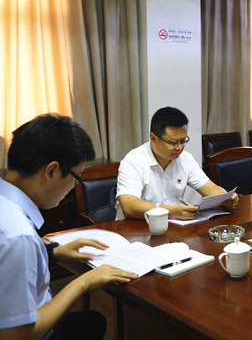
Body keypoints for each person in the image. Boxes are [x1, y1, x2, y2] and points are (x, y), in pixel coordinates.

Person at [0, 114, 138, 340]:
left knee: (91, 322)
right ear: (52, 171)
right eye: (76, 178)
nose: (73, 187)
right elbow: (16, 336)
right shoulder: (19, 237)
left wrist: (53, 252)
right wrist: (83, 283)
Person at [116, 107, 238, 220]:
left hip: (174, 225)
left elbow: (209, 188)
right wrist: (172, 211)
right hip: (135, 227)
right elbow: (129, 206)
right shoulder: (133, 161)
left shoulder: (185, 159)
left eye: (183, 141)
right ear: (153, 138)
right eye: (173, 143)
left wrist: (226, 198)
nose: (179, 148)